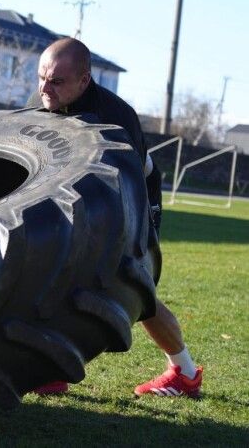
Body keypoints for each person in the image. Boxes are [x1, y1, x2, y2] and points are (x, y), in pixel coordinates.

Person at [28, 37, 202, 398]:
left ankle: (184, 373)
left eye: (57, 81)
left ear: (84, 80)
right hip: (75, 193)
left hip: (133, 195)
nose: (46, 88)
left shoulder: (116, 117)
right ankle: (51, 368)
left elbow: (127, 183)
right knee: (47, 271)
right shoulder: (41, 102)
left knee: (132, 286)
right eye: (41, 77)